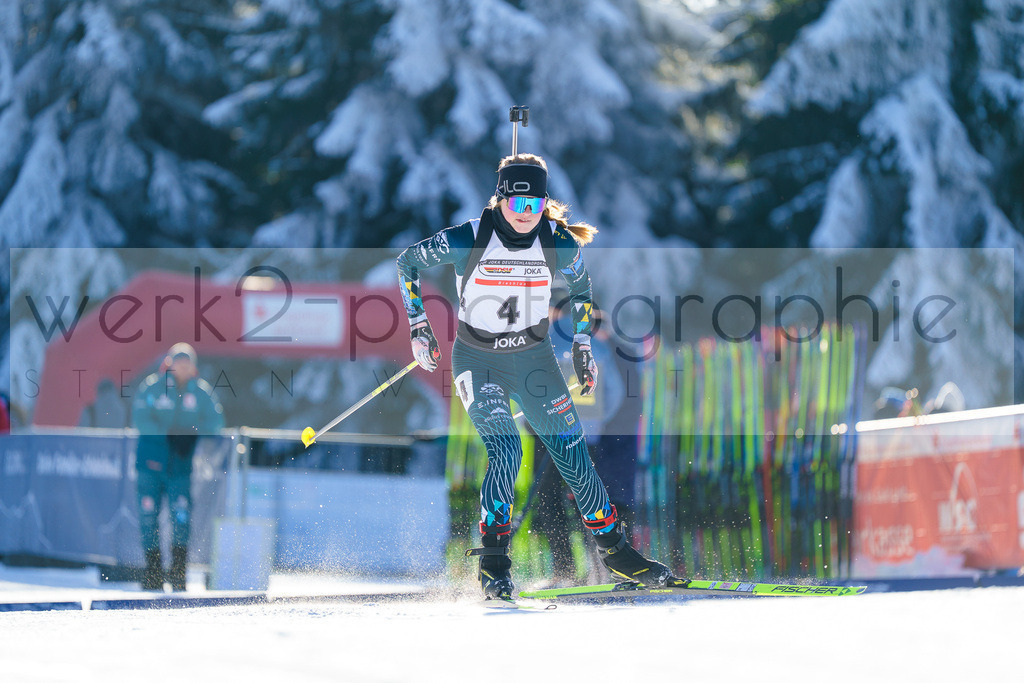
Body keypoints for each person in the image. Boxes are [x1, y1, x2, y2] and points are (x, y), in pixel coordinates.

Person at [397, 154, 676, 599]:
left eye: (535, 207)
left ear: (544, 204)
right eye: (517, 206)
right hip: (479, 360)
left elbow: (583, 291)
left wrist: (584, 345)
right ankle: (493, 565)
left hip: (535, 360)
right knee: (506, 449)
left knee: (574, 457)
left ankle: (618, 554)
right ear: (502, 199)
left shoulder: (558, 242)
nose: (526, 216)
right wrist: (418, 325)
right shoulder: (468, 237)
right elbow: (407, 262)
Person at [131, 343, 224, 591]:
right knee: (148, 516)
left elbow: (216, 421)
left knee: (181, 517)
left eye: (187, 364)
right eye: (178, 363)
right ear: (169, 364)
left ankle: (179, 571)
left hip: (180, 468)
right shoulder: (152, 387)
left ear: (193, 366)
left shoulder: (201, 392)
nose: (182, 368)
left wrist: (191, 433)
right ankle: (152, 571)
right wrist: (168, 435)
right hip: (150, 465)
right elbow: (140, 418)